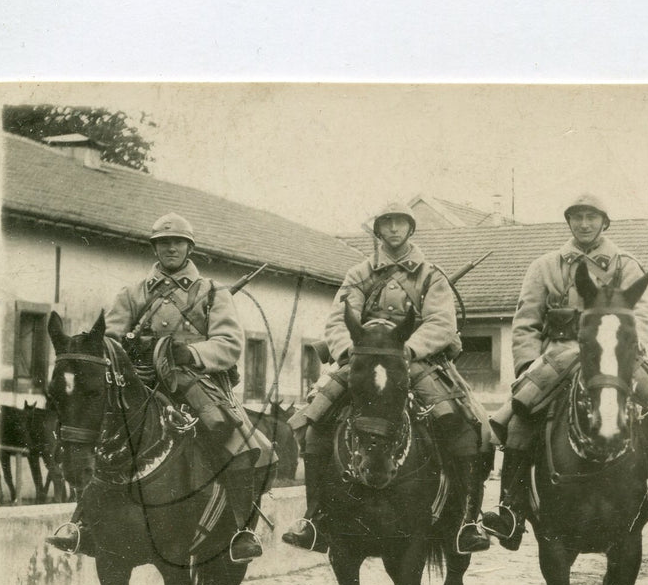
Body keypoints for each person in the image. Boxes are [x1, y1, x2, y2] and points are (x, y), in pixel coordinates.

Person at [479, 193, 648, 553]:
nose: (584, 224)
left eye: (591, 217)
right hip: (556, 357)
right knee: (519, 415)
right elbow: (525, 322)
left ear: (605, 222)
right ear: (569, 222)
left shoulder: (626, 264)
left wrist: (629, 347)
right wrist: (529, 367)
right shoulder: (545, 266)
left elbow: (645, 314)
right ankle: (510, 511)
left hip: (616, 354)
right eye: (577, 217)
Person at [47, 213, 271, 562]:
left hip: (194, 378)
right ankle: (81, 523)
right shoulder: (133, 293)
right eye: (163, 242)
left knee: (237, 441)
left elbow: (229, 344)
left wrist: (190, 351)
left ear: (189, 247)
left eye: (177, 242)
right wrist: (129, 346)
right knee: (100, 434)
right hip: (138, 376)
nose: (170, 248)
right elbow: (108, 339)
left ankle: (241, 530)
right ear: (154, 247)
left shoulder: (212, 293)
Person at [282, 201, 493, 555]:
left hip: (415, 358)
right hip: (364, 357)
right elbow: (338, 318)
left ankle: (466, 518)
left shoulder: (430, 274)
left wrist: (408, 349)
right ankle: (314, 517)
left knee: (464, 421)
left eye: (400, 224)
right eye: (387, 224)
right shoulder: (360, 273)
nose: (394, 230)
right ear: (378, 230)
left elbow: (442, 322)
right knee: (313, 418)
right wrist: (350, 350)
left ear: (410, 229)